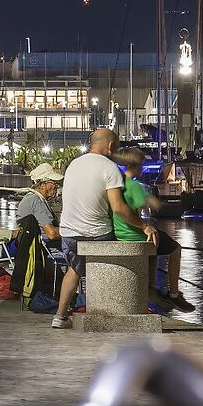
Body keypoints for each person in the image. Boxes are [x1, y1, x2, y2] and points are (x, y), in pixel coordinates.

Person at [52, 128, 149, 329]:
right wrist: (144, 226)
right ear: (111, 145)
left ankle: (59, 316)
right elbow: (119, 208)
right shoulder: (110, 168)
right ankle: (116, 307)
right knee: (120, 251)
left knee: (74, 269)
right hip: (97, 234)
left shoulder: (73, 165)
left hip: (68, 233)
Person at [110, 144, 189, 310]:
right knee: (175, 249)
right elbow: (143, 212)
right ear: (136, 166)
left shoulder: (116, 184)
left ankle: (151, 286)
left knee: (155, 245)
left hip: (119, 232)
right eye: (142, 165)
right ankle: (173, 293)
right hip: (134, 235)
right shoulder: (135, 186)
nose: (143, 169)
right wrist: (154, 204)